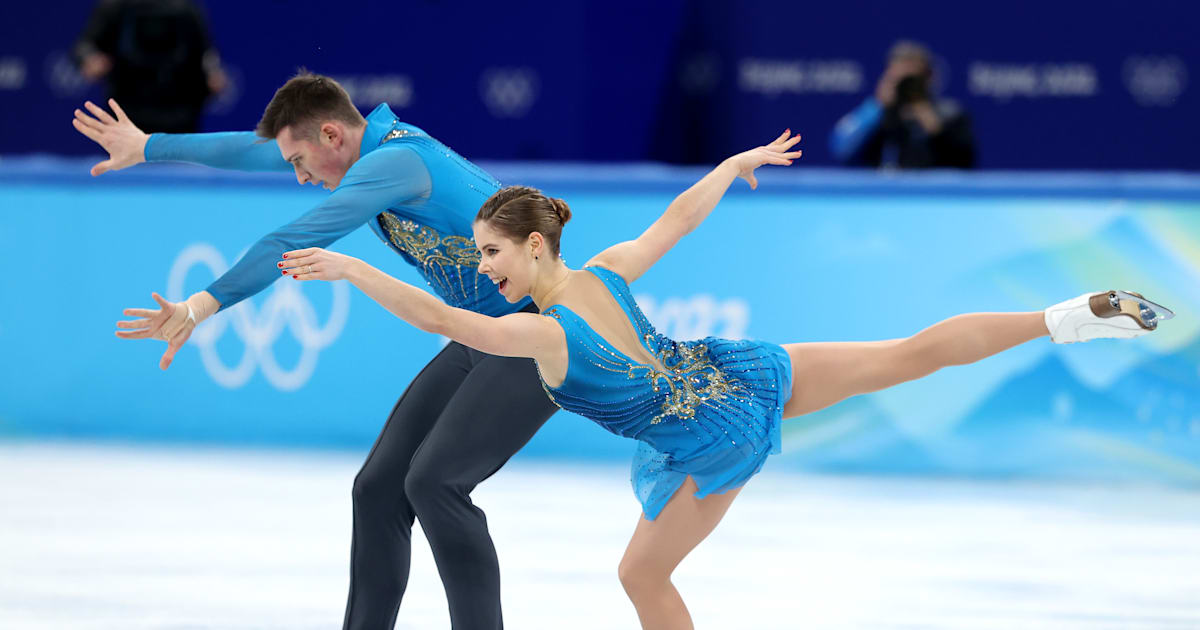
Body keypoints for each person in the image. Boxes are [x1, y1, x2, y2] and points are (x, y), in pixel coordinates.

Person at [278, 130, 1173, 628]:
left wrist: (354, 269)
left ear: (536, 246)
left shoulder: (547, 338)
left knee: (640, 579)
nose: (485, 268)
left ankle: (1067, 318)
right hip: (731, 372)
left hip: (709, 436)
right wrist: (732, 167)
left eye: (492, 253)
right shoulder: (606, 273)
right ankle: (1066, 316)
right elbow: (676, 219)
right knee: (906, 354)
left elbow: (444, 320)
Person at [71, 73, 560, 629]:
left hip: (537, 336)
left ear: (332, 135)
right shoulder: (357, 148)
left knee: (434, 483)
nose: (300, 178)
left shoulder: (397, 163)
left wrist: (199, 307)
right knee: (378, 489)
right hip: (481, 334)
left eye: (300, 164)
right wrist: (151, 147)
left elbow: (289, 240)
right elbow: (255, 151)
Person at [74, 0, 228, 133]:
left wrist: (212, 74)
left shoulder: (185, 8)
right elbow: (85, 46)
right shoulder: (115, 6)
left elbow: (205, 53)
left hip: (179, 113)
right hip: (126, 113)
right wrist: (91, 59)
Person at [830, 40, 976, 169]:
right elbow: (842, 150)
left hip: (932, 197)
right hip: (884, 196)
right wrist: (876, 106)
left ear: (930, 77)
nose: (906, 85)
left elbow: (965, 165)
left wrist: (934, 126)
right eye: (899, 78)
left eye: (912, 79)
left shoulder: (952, 115)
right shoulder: (879, 113)